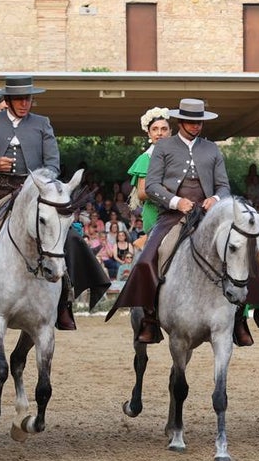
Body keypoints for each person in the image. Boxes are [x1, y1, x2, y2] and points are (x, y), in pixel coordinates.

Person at [0, 75, 110, 334]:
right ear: (8, 99)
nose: (25, 103)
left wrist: (36, 182)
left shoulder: (42, 123)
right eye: (19, 99)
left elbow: (52, 165)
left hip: (32, 194)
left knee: (69, 237)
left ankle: (64, 303)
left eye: (28, 98)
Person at [106, 98, 248, 346]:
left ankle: (240, 320)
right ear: (181, 121)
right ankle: (150, 318)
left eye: (199, 122)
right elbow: (150, 186)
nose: (196, 126)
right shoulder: (163, 148)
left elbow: (224, 186)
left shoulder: (212, 149)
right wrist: (175, 202)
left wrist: (215, 198)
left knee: (239, 252)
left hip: (208, 218)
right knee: (149, 257)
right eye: (191, 122)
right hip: (172, 217)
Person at [127, 106, 172, 242]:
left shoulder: (179, 156)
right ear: (149, 134)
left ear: (170, 132)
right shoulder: (146, 158)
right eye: (155, 129)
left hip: (179, 213)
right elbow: (142, 193)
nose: (159, 133)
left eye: (164, 129)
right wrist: (169, 193)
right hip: (156, 214)